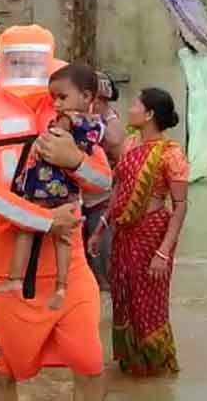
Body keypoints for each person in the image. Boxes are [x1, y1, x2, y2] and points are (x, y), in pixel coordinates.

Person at [0, 24, 111, 400]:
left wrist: (75, 160)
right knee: (2, 372)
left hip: (67, 266)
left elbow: (103, 181)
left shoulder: (69, 114)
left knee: (90, 363)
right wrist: (42, 219)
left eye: (32, 60)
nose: (24, 68)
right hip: (2, 267)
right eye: (17, 60)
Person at [90, 87, 188, 376]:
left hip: (151, 237)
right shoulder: (131, 145)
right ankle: (130, 366)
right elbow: (119, 190)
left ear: (149, 115)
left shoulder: (172, 155)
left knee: (150, 306)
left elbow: (180, 207)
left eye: (136, 104)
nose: (130, 108)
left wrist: (163, 252)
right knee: (123, 299)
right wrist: (100, 229)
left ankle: (159, 371)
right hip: (123, 235)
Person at [0, 64, 106, 311]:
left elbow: (52, 140)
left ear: (86, 96)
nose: (56, 104)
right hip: (70, 193)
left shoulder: (66, 119)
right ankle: (62, 286)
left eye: (62, 97)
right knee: (63, 240)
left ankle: (14, 279)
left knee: (26, 228)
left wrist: (39, 142)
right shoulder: (95, 124)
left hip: (45, 187)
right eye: (53, 98)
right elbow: (100, 176)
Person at [82, 71, 124, 290]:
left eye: (103, 100)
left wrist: (101, 116)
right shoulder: (70, 117)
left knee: (102, 265)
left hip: (102, 202)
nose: (98, 103)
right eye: (96, 98)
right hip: (75, 202)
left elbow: (116, 140)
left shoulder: (108, 120)